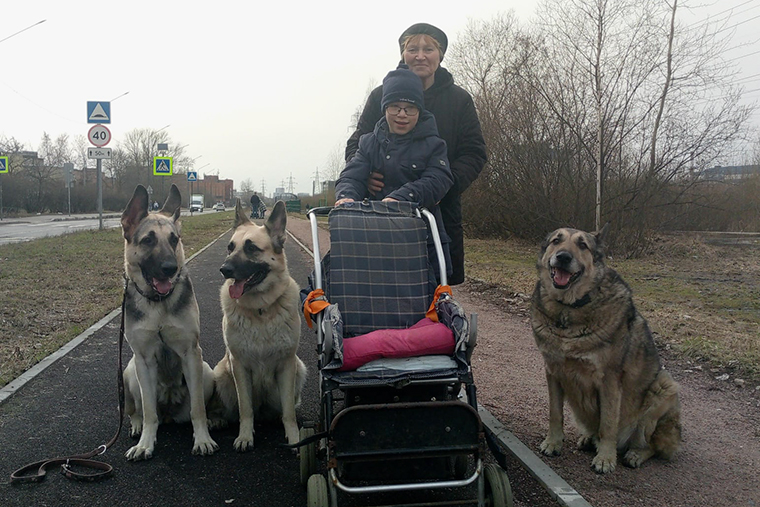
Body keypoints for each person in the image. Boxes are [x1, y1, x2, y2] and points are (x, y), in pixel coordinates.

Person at [345, 23, 487, 285]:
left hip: (437, 211)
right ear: (403, 54)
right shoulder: (380, 96)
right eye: (412, 49)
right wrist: (364, 177)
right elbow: (358, 142)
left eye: (428, 49)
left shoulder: (459, 100)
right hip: (381, 208)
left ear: (440, 55)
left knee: (436, 283)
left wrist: (443, 184)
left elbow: (474, 152)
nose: (420, 55)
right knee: (377, 280)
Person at [336, 64, 453, 276]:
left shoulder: (434, 144)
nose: (402, 114)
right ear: (384, 108)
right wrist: (346, 197)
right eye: (395, 107)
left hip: (421, 239)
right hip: (374, 235)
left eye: (410, 108)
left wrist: (402, 198)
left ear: (419, 110)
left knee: (425, 300)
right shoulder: (368, 143)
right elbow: (353, 175)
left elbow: (439, 179)